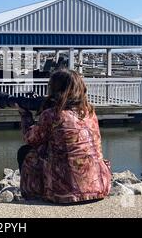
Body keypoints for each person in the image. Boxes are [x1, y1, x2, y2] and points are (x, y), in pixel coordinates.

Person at [17, 70, 112, 204]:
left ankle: (32, 194)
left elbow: (30, 139)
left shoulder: (52, 115)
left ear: (55, 89)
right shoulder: (89, 112)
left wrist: (25, 116)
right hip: (100, 188)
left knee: (24, 151)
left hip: (64, 193)